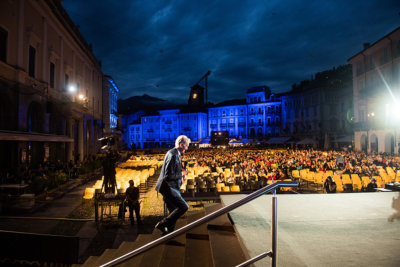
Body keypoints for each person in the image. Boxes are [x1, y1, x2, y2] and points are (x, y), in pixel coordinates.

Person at [155, 135, 191, 235]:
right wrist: (181, 174)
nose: (187, 148)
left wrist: (181, 177)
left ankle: (168, 234)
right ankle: (162, 224)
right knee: (184, 207)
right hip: (168, 187)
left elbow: (173, 170)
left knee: (173, 212)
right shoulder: (173, 155)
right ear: (181, 144)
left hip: (170, 187)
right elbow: (168, 175)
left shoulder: (174, 153)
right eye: (186, 145)